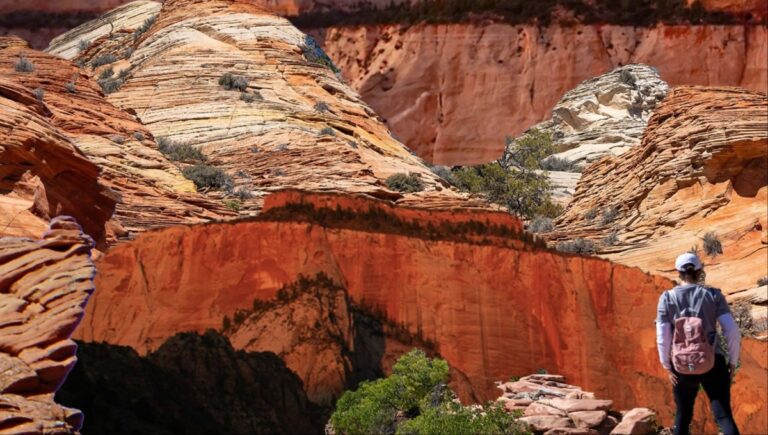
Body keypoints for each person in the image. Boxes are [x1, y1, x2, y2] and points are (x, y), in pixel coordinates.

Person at [655, 252, 741, 435]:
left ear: (678, 272)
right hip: (713, 363)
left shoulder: (667, 298)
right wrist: (732, 362)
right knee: (724, 416)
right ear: (700, 271)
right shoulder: (713, 295)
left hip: (681, 366)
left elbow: (663, 336)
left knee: (683, 415)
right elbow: (732, 331)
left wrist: (667, 366)